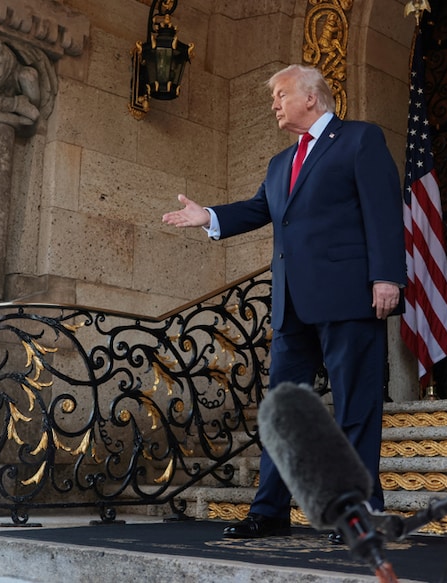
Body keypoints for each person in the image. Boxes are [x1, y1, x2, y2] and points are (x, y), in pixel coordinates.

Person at [162, 64, 405, 541]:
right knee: (282, 411)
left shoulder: (359, 139)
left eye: (280, 94)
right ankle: (269, 511)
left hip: (350, 296)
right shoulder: (279, 163)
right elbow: (259, 210)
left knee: (355, 407)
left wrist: (387, 278)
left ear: (311, 97)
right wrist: (207, 215)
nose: (273, 104)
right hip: (292, 304)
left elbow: (383, 209)